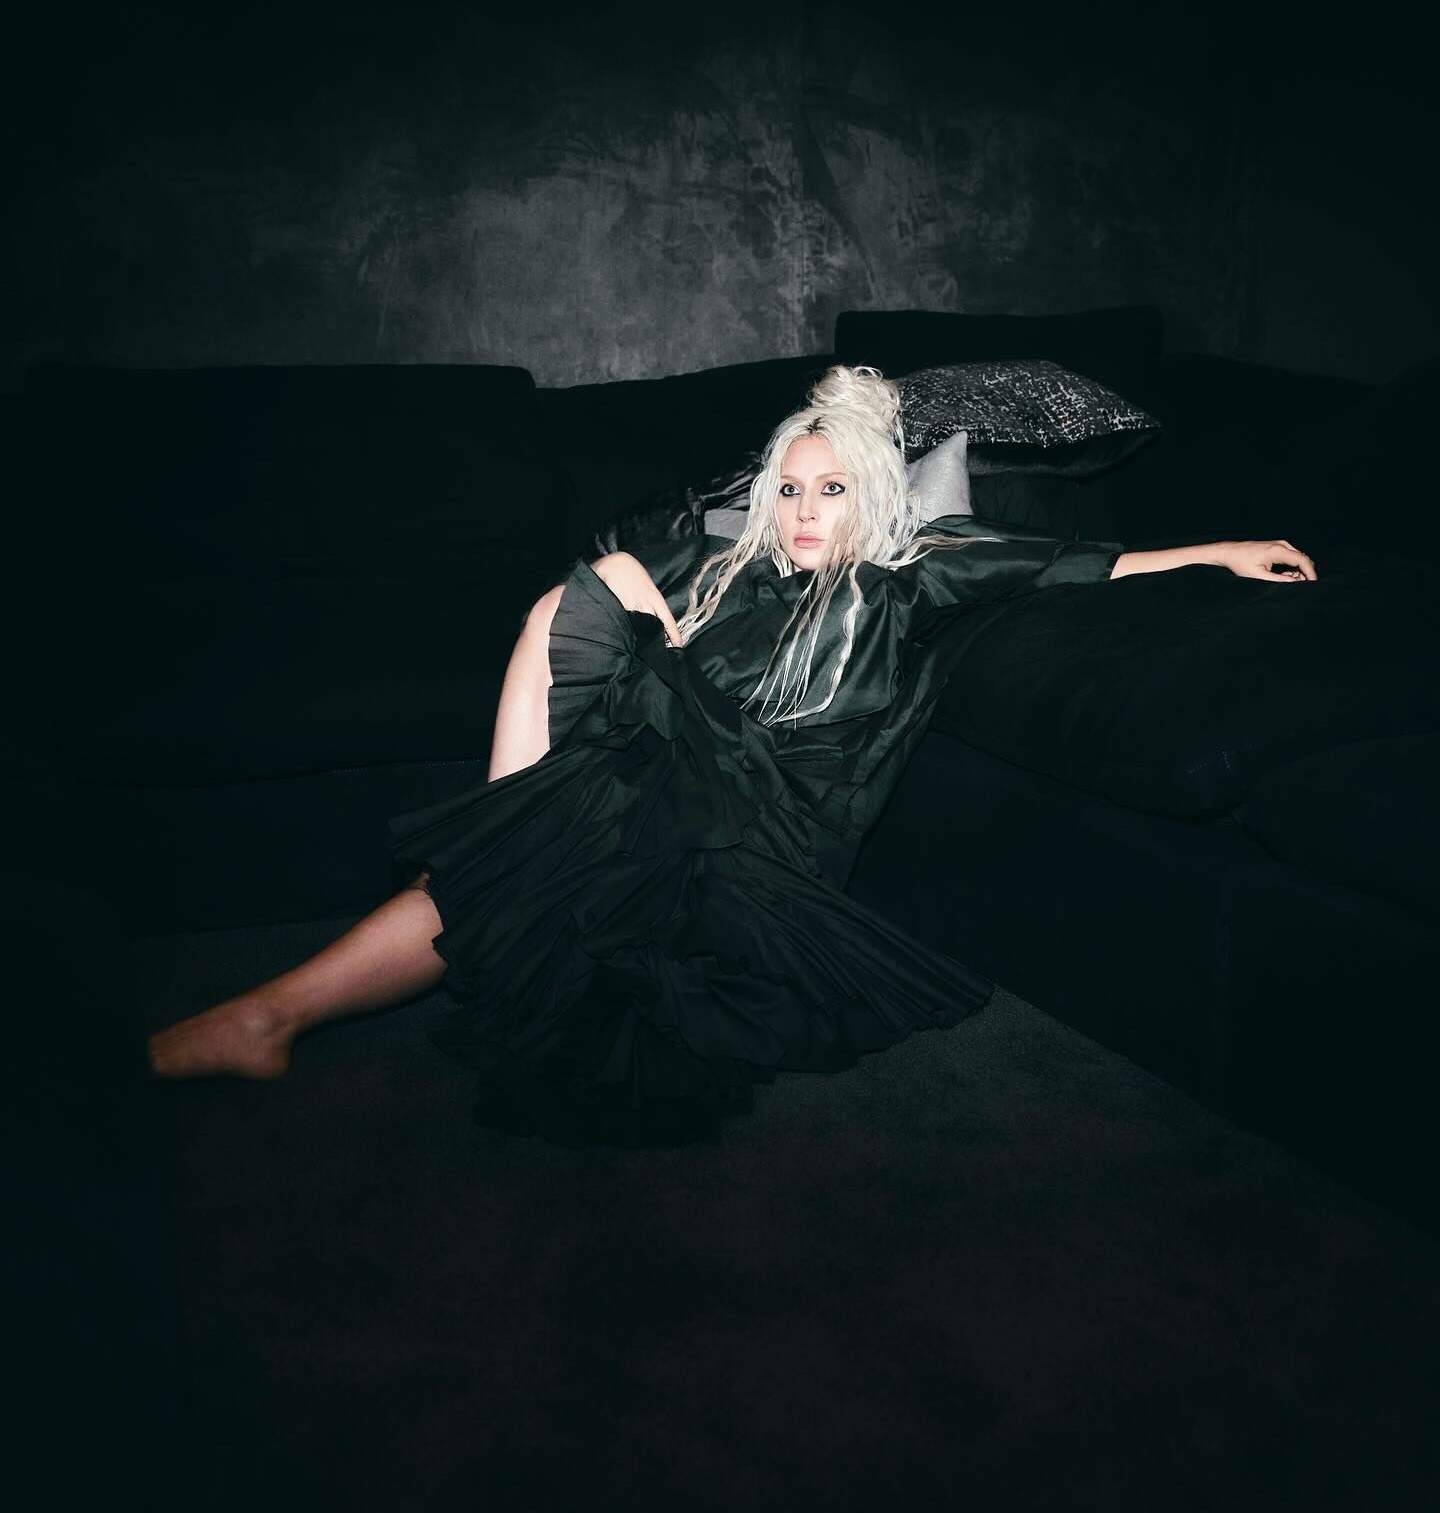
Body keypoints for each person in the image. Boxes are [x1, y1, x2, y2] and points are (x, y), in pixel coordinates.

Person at [148, 366, 1317, 1144]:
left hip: (769, 824)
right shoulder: (739, 572)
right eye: (790, 490)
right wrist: (705, 574)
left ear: (874, 500)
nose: (805, 511)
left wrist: (1220, 549)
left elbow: (1070, 561)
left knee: (591, 648)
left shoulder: (913, 572)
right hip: (688, 777)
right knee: (608, 580)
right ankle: (320, 982)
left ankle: (501, 861)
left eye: (832, 491)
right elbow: (632, 579)